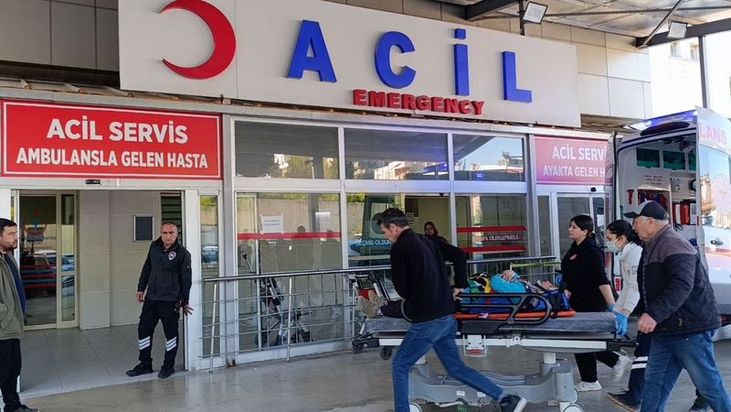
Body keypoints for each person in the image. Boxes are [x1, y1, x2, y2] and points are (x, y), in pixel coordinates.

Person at [378, 208, 526, 412]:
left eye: (385, 232)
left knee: (400, 364)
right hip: (447, 316)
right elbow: (458, 255)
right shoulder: (429, 240)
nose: (386, 237)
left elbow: (402, 288)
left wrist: (411, 301)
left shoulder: (400, 248)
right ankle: (507, 399)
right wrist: (459, 285)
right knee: (456, 368)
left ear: (393, 227)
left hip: (428, 320)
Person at [626, 201, 731, 411]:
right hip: (666, 329)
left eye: (636, 221)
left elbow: (681, 286)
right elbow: (650, 288)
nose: (633, 227)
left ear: (650, 221)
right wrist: (635, 312)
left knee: (708, 385)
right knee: (654, 384)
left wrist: (653, 315)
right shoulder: (652, 245)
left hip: (689, 329)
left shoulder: (674, 244)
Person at [561, 215, 630, 392]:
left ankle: (594, 376)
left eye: (574, 227)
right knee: (582, 341)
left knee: (583, 341)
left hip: (591, 302)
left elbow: (601, 279)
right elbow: (571, 279)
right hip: (576, 301)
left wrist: (612, 306)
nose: (570, 229)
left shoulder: (592, 251)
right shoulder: (575, 248)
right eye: (570, 226)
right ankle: (604, 368)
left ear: (585, 231)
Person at [126, 223, 193, 379]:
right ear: (161, 234)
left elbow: (186, 279)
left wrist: (185, 301)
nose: (168, 236)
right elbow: (147, 268)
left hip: (170, 300)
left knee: (170, 334)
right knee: (144, 330)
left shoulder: (183, 254)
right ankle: (145, 364)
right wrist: (141, 288)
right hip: (151, 298)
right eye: (165, 233)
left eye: (171, 233)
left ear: (176, 234)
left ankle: (168, 366)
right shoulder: (154, 247)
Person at [604, 220, 645, 411]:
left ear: (622, 238)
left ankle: (635, 396)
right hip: (648, 311)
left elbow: (636, 286)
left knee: (644, 353)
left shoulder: (635, 253)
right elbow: (627, 286)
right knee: (646, 353)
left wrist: (625, 314)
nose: (608, 243)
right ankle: (635, 395)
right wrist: (616, 312)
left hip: (653, 311)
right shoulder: (625, 255)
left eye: (610, 238)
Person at [0, 219, 38, 412]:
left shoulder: (8, 257)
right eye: (11, 234)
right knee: (4, 371)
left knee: (13, 369)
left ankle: (13, 407)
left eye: (16, 233)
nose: (17, 237)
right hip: (3, 327)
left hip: (12, 326)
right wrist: (6, 315)